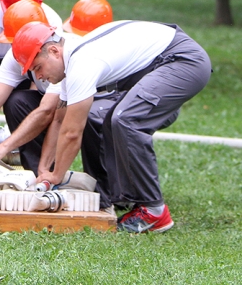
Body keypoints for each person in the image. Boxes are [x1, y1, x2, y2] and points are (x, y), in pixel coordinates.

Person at [11, 20, 211, 233]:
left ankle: (154, 211)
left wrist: (57, 176)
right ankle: (122, 198)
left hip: (182, 61)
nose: (39, 76)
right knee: (109, 118)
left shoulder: (82, 63)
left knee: (125, 119)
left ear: (54, 51)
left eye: (38, 67)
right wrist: (46, 169)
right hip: (162, 63)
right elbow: (60, 120)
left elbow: (72, 133)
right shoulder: (71, 64)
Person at [0, 0, 119, 210]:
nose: (13, 46)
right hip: (56, 105)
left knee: (84, 118)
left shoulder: (62, 54)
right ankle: (38, 176)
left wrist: (1, 150)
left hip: (88, 103)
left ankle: (104, 191)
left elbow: (51, 113)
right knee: (17, 102)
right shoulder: (22, 52)